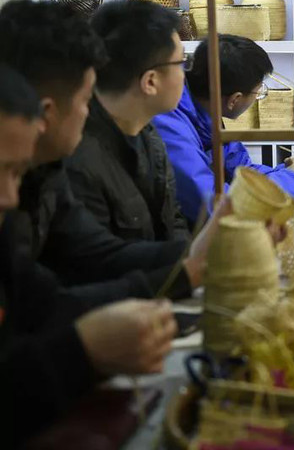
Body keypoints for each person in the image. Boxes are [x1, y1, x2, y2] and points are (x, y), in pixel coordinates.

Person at [0, 63, 178, 445]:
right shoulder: (84, 161)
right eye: (85, 100)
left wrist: (190, 266)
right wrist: (80, 351)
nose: (9, 197)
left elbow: (48, 302)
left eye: (15, 174)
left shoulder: (51, 177)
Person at [0, 0, 218, 305]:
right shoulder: (76, 161)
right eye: (85, 98)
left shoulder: (50, 171)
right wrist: (189, 268)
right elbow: (57, 301)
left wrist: (208, 251)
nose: (88, 111)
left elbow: (99, 253)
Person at [153, 34, 294, 227]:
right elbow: (216, 206)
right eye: (258, 91)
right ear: (234, 99)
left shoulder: (204, 112)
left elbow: (241, 171)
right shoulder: (169, 125)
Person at [67, 0, 191, 243]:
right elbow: (101, 264)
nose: (185, 73)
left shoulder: (148, 133)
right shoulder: (78, 160)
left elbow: (173, 220)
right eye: (181, 62)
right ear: (151, 81)